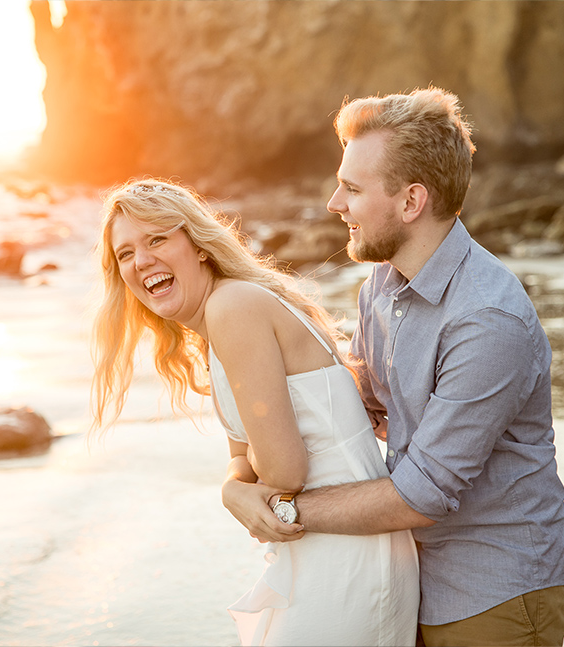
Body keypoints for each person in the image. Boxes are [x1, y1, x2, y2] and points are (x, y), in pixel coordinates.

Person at [221, 87, 564, 646]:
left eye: (352, 188)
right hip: (409, 576)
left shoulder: (486, 321)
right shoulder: (382, 285)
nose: (334, 203)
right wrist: (240, 474)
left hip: (496, 589)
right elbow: (357, 407)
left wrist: (285, 510)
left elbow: (424, 494)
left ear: (411, 202)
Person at [90, 178, 420, 645]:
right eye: (125, 254)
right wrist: (231, 489)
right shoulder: (219, 320)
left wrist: (248, 488)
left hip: (348, 559)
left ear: (199, 246)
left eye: (157, 239)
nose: (142, 260)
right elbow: (242, 453)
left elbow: (284, 470)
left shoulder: (232, 308)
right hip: (332, 544)